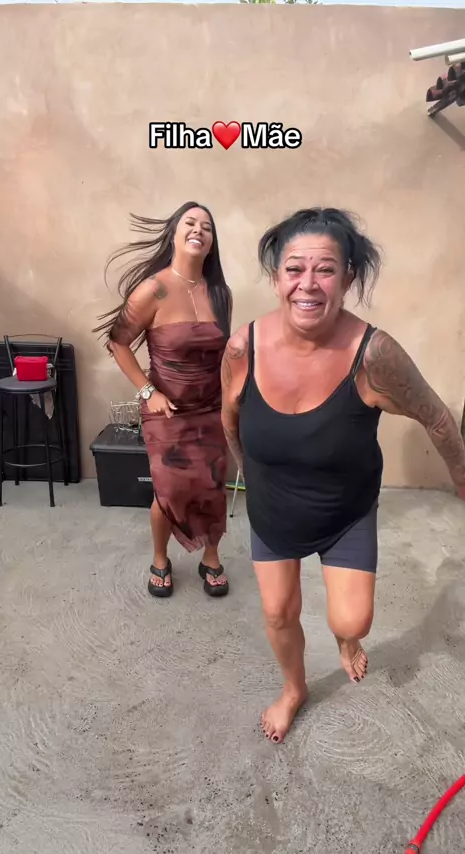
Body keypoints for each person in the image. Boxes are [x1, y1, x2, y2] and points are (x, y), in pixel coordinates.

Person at [221, 206, 465, 744]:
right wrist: (250, 480)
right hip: (273, 509)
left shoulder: (374, 355)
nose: (308, 284)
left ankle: (347, 643)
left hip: (345, 510)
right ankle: (294, 689)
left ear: (349, 278)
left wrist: (462, 482)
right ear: (276, 277)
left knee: (352, 621)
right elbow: (229, 419)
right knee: (278, 613)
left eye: (326, 269)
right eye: (294, 268)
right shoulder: (242, 348)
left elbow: (438, 419)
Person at [94, 201, 232, 598]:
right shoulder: (152, 290)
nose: (199, 230)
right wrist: (147, 391)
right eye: (190, 222)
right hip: (166, 411)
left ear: (212, 242)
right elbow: (118, 343)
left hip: (211, 409)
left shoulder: (220, 293)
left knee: (212, 487)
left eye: (207, 226)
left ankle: (210, 557)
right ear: (174, 232)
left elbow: (223, 353)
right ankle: (160, 557)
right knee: (170, 491)